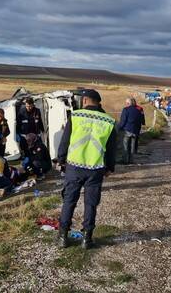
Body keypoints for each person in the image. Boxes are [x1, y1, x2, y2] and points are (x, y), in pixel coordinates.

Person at [58, 89, 116, 249]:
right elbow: (112, 149)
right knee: (91, 203)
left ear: (84, 101)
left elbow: (65, 140)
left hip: (74, 166)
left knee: (69, 201)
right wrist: (110, 167)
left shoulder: (75, 116)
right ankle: (87, 239)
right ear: (99, 102)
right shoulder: (109, 121)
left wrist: (61, 159)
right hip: (95, 168)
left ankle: (63, 236)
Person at [118, 98, 144, 165]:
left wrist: (119, 128)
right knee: (132, 147)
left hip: (127, 130)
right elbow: (140, 121)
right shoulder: (138, 110)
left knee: (125, 146)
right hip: (135, 131)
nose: (126, 104)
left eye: (126, 103)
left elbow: (123, 121)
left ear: (128, 103)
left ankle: (125, 160)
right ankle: (131, 160)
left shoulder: (126, 110)